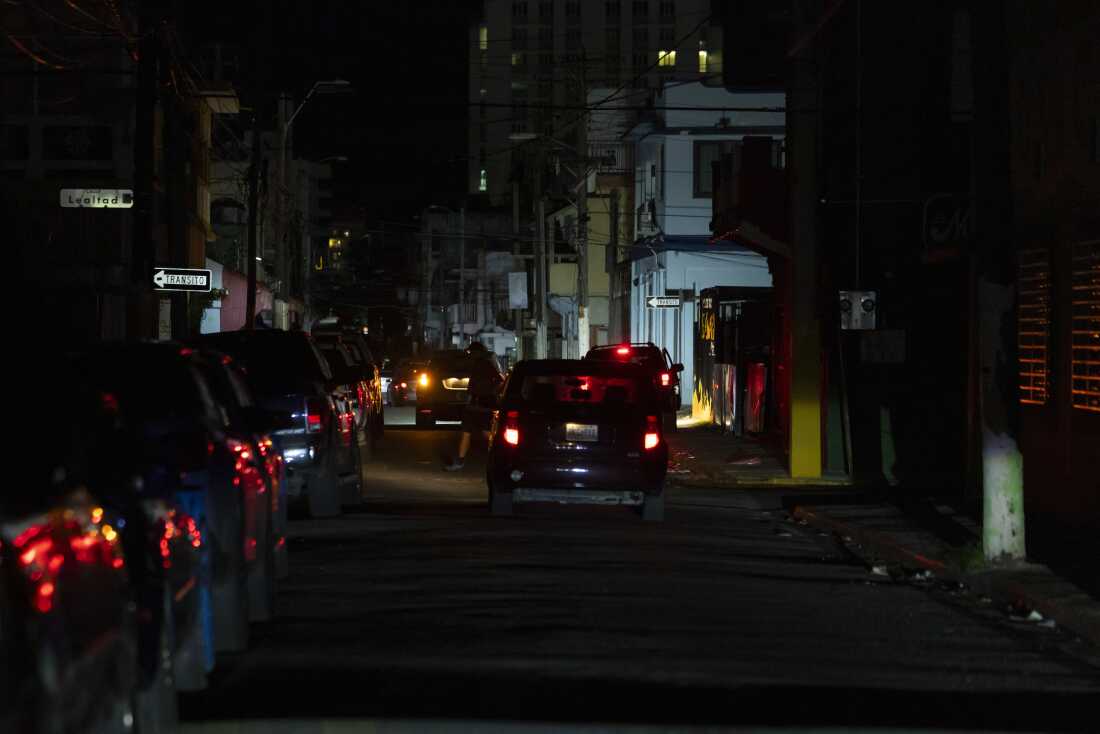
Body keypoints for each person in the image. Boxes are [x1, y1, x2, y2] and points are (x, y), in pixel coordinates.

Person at [444, 341, 503, 471]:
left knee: (485, 432)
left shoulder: (485, 364)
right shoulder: (478, 364)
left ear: (478, 353)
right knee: (467, 431)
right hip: (474, 404)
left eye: (471, 352)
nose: (469, 355)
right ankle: (460, 460)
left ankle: (502, 457)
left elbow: (500, 381)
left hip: (483, 404)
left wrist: (491, 392)